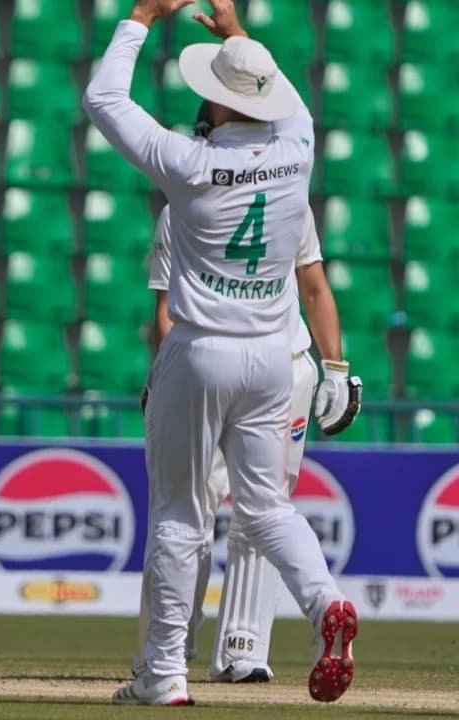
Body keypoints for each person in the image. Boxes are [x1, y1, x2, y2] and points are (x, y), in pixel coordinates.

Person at [83, 0, 359, 706]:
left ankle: (163, 674)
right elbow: (284, 98)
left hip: (201, 348)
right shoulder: (300, 146)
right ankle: (326, 602)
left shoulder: (190, 163)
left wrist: (142, 15)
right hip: (271, 356)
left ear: (220, 102)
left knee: (180, 514)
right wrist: (238, 37)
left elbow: (104, 99)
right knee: (267, 509)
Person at [134, 128, 362, 683]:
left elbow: (310, 286)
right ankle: (245, 641)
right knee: (263, 509)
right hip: (277, 366)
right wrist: (334, 368)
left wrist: (334, 367)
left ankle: (190, 652)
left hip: (218, 364)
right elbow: (314, 287)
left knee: (186, 510)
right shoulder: (280, 193)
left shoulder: (186, 204)